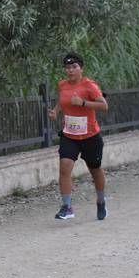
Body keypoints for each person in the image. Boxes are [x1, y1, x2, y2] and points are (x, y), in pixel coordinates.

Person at [47, 52, 109, 220]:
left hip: (90, 136)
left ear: (81, 68)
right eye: (67, 67)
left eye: (74, 67)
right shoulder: (62, 85)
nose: (70, 70)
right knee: (64, 167)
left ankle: (101, 201)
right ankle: (67, 207)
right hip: (70, 135)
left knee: (95, 170)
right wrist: (56, 111)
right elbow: (63, 100)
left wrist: (83, 103)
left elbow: (104, 106)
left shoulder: (89, 85)